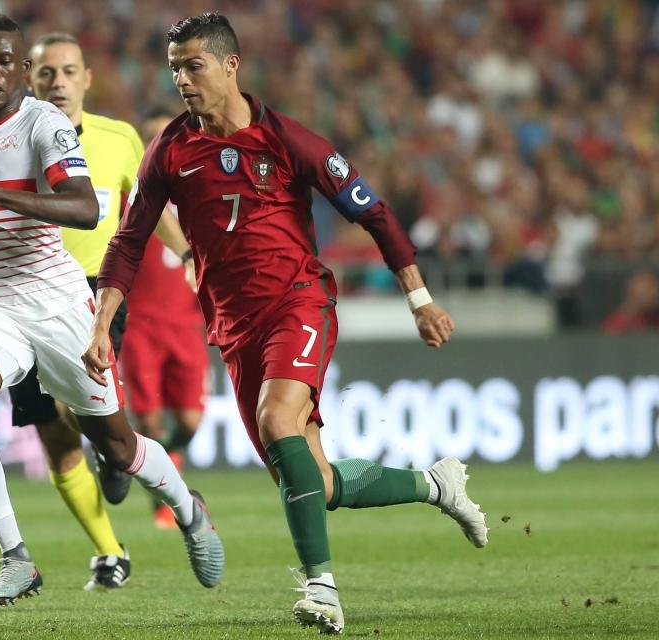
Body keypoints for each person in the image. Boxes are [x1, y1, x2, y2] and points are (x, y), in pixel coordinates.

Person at [83, 13, 487, 635]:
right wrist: (103, 320)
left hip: (299, 303)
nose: (182, 80)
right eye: (174, 69)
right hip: (233, 328)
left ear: (229, 65)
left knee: (277, 421)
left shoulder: (289, 140)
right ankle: (435, 484)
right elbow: (130, 240)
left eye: (193, 66)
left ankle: (321, 588)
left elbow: (374, 213)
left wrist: (420, 299)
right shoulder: (170, 148)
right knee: (314, 482)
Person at [0, 14, 224, 609]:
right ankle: (16, 559)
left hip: (57, 301)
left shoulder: (44, 124)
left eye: (6, 61)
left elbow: (83, 209)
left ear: (20, 70)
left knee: (120, 447)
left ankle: (188, 512)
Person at [0, 32, 192, 589]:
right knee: (54, 434)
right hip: (9, 297)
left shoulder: (119, 140)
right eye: (47, 73)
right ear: (31, 77)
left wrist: (187, 253)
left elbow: (143, 211)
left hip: (92, 293)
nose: (58, 82)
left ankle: (123, 462)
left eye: (69, 71)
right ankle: (108, 550)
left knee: (96, 425)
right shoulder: (11, 130)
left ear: (87, 78)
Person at [121, 109, 210, 529]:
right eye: (153, 137)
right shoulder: (130, 196)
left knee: (191, 421)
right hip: (141, 325)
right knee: (151, 421)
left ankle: (167, 467)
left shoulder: (201, 192)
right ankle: (164, 503)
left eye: (167, 136)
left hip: (185, 325)